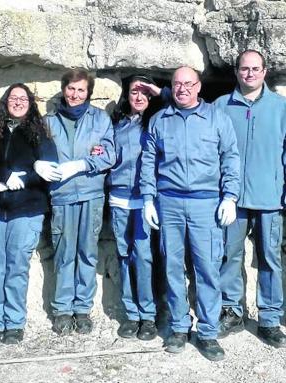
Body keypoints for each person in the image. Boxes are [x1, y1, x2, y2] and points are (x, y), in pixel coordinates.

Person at [140, 66, 240, 360]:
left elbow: (230, 158)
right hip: (169, 203)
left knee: (207, 268)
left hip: (205, 204)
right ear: (172, 87)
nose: (182, 89)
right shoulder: (159, 120)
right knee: (172, 267)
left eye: (188, 84)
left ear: (198, 87)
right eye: (177, 84)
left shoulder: (216, 119)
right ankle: (180, 326)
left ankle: (208, 332)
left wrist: (230, 197)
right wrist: (148, 198)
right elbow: (148, 161)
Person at [214, 50, 286, 347]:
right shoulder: (220, 106)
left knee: (269, 259)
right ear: (236, 72)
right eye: (244, 69)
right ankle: (232, 311)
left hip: (270, 198)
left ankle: (268, 319)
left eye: (255, 69)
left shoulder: (281, 108)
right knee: (229, 255)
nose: (249, 74)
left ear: (265, 72)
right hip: (233, 199)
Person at [0, 83, 57, 345]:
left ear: (30, 104)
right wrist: (4, 175)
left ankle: (15, 323)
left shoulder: (39, 134)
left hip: (25, 209)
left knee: (17, 267)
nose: (18, 102)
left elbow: (49, 170)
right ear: (5, 101)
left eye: (23, 99)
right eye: (13, 98)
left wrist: (24, 179)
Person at [35, 69, 115, 335]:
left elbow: (109, 155)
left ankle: (82, 308)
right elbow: (39, 154)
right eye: (71, 89)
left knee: (87, 253)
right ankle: (61, 309)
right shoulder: (49, 121)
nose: (75, 94)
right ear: (63, 89)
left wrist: (83, 164)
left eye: (81, 90)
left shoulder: (100, 119)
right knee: (63, 252)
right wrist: (40, 165)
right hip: (61, 195)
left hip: (91, 194)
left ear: (88, 92)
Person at [109, 75, 170, 341]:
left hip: (147, 200)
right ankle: (131, 314)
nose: (139, 97)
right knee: (124, 255)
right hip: (120, 197)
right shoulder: (117, 124)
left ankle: (148, 314)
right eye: (134, 91)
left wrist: (159, 91)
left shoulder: (159, 122)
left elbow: (180, 102)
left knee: (144, 256)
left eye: (145, 93)